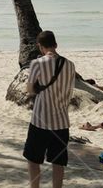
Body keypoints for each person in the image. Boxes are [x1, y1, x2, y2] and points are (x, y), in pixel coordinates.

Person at [24, 30, 75, 188]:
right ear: (56, 45)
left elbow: (30, 89)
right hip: (61, 122)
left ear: (40, 47)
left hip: (40, 121)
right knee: (58, 163)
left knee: (33, 160)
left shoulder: (37, 63)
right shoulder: (70, 65)